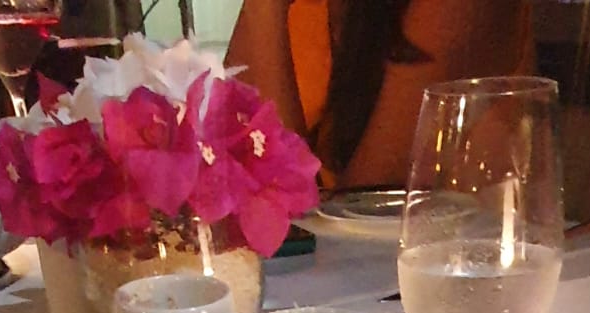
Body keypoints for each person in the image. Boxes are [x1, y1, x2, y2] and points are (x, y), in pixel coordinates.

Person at [225, 0, 534, 189]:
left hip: (449, 268)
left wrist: (264, 11)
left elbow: (360, 213)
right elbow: (230, 166)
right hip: (327, 272)